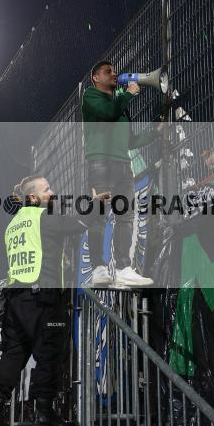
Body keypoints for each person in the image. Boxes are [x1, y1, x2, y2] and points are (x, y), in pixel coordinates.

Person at [0, 176, 88, 426]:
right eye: (47, 189)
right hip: (43, 298)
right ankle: (43, 413)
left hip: (15, 300)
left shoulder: (14, 224)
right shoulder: (45, 218)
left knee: (13, 355)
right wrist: (97, 203)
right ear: (33, 198)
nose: (53, 193)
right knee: (50, 354)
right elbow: (81, 223)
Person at [82, 61, 158, 288]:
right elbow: (108, 113)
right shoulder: (91, 96)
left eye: (115, 71)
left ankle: (124, 268)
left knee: (125, 217)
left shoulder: (120, 103)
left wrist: (155, 132)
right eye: (108, 72)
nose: (114, 74)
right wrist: (128, 95)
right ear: (96, 78)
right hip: (100, 163)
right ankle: (98, 268)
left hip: (124, 165)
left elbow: (131, 140)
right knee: (100, 215)